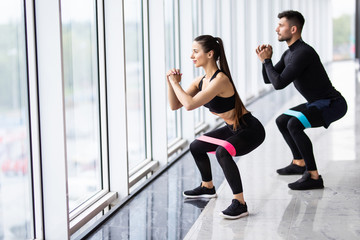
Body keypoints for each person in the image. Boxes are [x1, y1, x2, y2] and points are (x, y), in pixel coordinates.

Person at [167, 35, 265, 219]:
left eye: (195, 52)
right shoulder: (201, 81)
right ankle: (207, 187)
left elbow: (189, 104)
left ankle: (240, 204)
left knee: (222, 152)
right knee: (196, 146)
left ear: (210, 54)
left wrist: (175, 83)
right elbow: (175, 105)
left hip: (250, 129)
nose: (191, 56)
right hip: (232, 128)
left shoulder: (220, 80)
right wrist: (169, 83)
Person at [255, 10, 347, 190]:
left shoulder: (303, 52)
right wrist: (265, 61)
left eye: (281, 25)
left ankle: (313, 176)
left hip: (332, 104)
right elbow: (269, 79)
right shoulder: (290, 53)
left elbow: (279, 83)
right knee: (282, 121)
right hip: (316, 102)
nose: (277, 29)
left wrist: (267, 62)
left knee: (294, 124)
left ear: (294, 29)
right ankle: (299, 163)